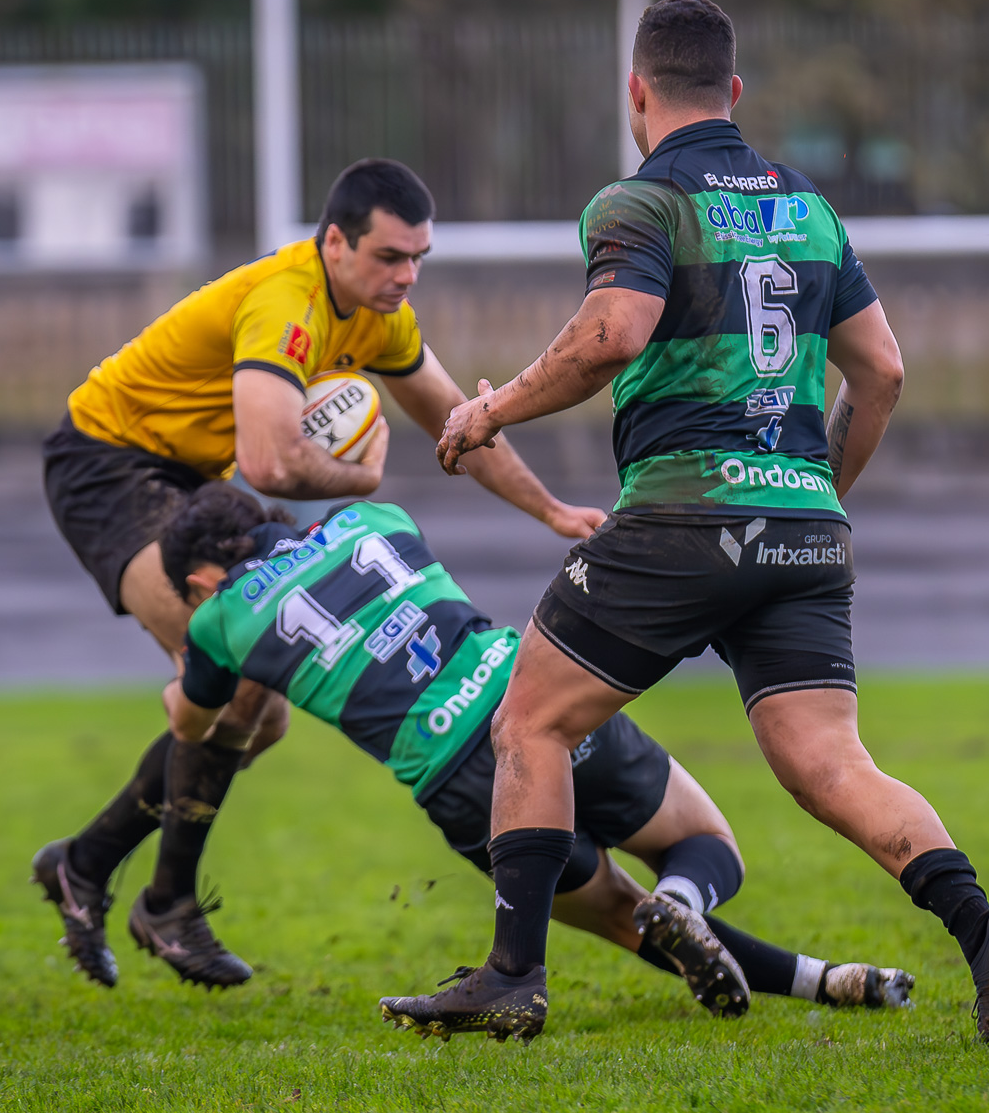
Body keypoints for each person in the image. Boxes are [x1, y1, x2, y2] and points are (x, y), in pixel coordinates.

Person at [393, 0, 989, 1044]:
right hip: (803, 527)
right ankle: (987, 938)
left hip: (683, 516)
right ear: (734, 91)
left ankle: (513, 976)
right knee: (835, 767)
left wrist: (490, 410)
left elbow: (612, 333)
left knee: (531, 723)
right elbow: (882, 372)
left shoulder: (640, 202)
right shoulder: (809, 210)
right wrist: (813, 493)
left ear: (636, 93)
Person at [35, 482, 915, 1024]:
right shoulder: (373, 517)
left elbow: (193, 728)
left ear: (198, 579)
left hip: (456, 776)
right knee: (704, 845)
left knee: (622, 915)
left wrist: (188, 666)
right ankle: (722, 919)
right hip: (530, 701)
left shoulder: (220, 618)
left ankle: (826, 981)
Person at [37, 159, 604, 987]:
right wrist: (360, 479)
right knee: (242, 683)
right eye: (388, 257)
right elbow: (270, 462)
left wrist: (551, 511)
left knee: (259, 718)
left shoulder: (381, 316)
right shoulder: (286, 302)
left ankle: (89, 866)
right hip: (110, 466)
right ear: (334, 243)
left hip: (192, 479)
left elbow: (461, 424)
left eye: (418, 258)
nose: (406, 276)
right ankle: (161, 901)